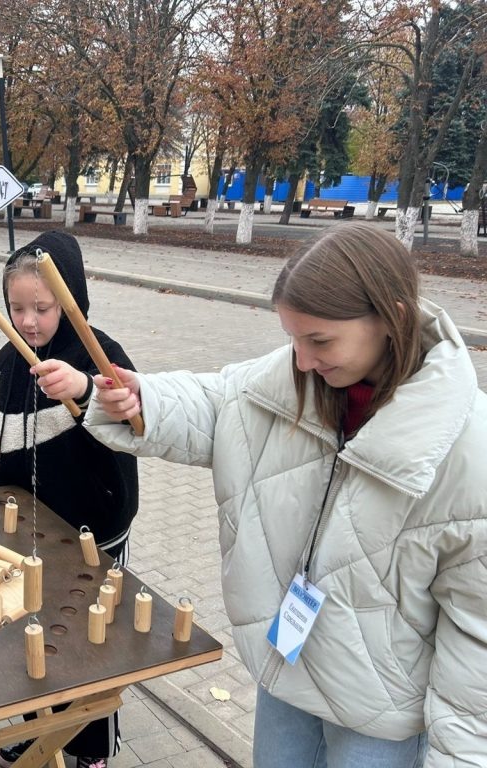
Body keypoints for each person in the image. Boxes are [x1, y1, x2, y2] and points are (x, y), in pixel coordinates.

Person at [85, 222, 487, 768]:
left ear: (390, 318)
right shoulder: (298, 379)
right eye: (292, 339)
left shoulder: (469, 452)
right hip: (288, 666)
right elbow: (221, 401)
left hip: (379, 711)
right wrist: (143, 400)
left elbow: (476, 642)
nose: (300, 361)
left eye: (319, 340)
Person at [0, 230, 139, 768]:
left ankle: (89, 748)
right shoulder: (10, 357)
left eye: (42, 307)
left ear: (71, 299)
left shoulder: (100, 354)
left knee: (86, 637)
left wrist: (84, 387)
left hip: (90, 532)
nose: (29, 320)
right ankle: (37, 732)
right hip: (20, 530)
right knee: (26, 631)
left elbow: (136, 418)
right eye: (17, 308)